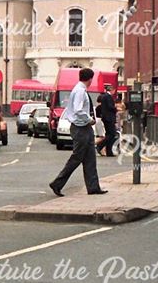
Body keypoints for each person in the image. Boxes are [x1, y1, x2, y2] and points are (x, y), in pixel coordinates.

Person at [49, 68, 108, 196]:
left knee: (90, 158)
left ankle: (93, 187)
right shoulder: (80, 91)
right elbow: (78, 110)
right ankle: (57, 183)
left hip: (83, 128)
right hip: (80, 128)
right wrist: (89, 120)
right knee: (77, 158)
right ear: (90, 79)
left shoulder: (78, 89)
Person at [96, 85, 118, 157]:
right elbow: (110, 107)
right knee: (112, 134)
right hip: (109, 118)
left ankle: (109, 151)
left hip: (106, 118)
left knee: (109, 134)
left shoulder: (104, 96)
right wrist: (116, 109)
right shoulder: (108, 97)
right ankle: (100, 145)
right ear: (112, 90)